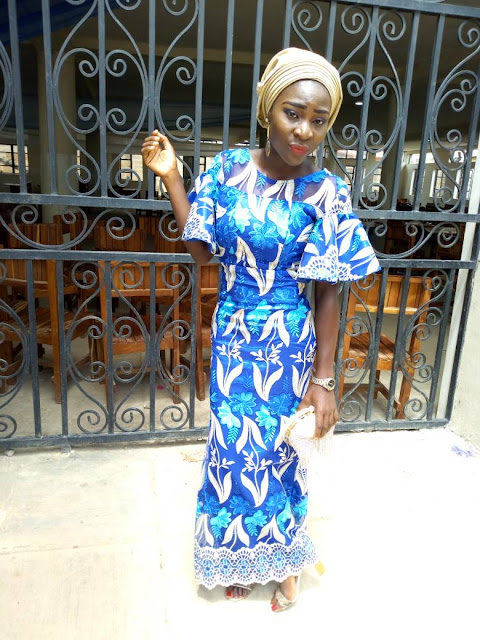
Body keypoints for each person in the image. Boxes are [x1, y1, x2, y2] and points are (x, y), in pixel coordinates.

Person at [142, 47, 380, 612]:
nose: (304, 131)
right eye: (293, 113)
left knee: (280, 454)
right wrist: (172, 178)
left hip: (289, 342)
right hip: (233, 335)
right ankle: (241, 555)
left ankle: (287, 565)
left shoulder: (327, 191)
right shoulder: (228, 170)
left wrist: (323, 380)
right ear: (267, 109)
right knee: (231, 453)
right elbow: (202, 252)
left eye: (319, 120)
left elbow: (328, 288)